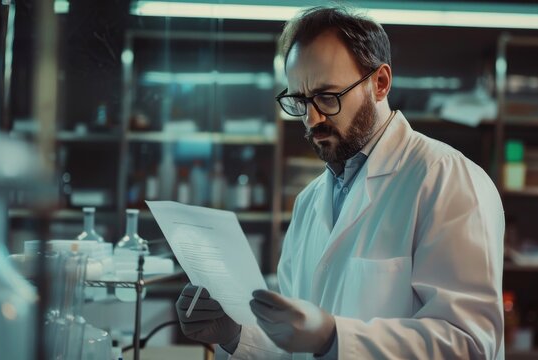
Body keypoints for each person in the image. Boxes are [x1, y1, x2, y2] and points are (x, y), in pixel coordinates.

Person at [175, 5, 504, 359]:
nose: (313, 118)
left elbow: (468, 343)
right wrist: (237, 335)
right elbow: (293, 344)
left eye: (328, 97)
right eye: (300, 101)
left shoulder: (446, 179)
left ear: (380, 83)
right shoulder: (310, 201)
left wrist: (334, 338)